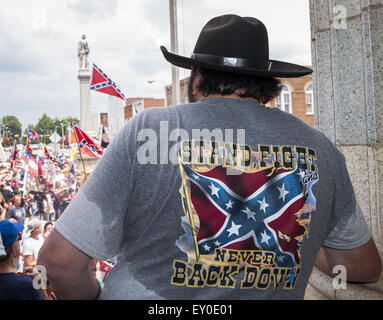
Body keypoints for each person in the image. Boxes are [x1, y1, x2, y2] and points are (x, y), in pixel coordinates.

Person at [38, 15, 382, 300]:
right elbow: (362, 266)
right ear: (265, 81)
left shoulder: (147, 132)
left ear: (197, 76)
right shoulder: (321, 150)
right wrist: (298, 235)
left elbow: (58, 261)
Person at [0, 220, 44, 300]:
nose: (20, 242)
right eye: (18, 238)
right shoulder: (25, 285)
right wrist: (39, 283)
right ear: (13, 247)